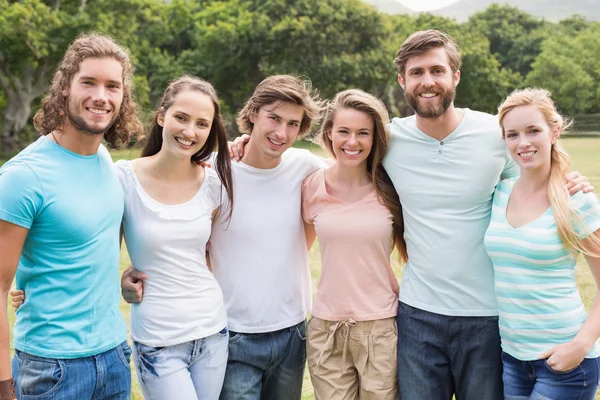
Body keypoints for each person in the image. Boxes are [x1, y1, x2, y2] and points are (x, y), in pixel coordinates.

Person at [382, 29, 593, 399]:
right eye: (416, 72)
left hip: (489, 319)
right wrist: (245, 146)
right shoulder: (387, 141)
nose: (427, 81)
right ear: (402, 80)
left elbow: (534, 173)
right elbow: (337, 155)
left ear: (455, 76)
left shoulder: (495, 135)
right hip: (417, 315)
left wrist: (570, 182)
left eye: (437, 70)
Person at [121, 75, 327, 400]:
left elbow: (354, 165)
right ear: (254, 113)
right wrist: (136, 271)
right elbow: (180, 234)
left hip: (293, 332)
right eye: (273, 118)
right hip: (233, 335)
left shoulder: (306, 166)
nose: (281, 132)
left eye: (292, 124)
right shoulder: (216, 173)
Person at [0, 33, 143, 400]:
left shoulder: (104, 160)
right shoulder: (23, 176)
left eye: (113, 86)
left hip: (113, 356)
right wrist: (3, 384)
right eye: (89, 82)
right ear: (65, 87)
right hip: (51, 369)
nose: (101, 96)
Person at [115, 76, 234, 399]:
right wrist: (122, 282)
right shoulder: (123, 178)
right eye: (181, 118)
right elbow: (94, 248)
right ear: (161, 116)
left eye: (202, 124)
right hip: (157, 338)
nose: (189, 132)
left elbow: (213, 253)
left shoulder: (214, 184)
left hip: (211, 330)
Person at [485, 88, 600, 399]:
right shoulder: (499, 193)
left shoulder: (576, 200)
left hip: (564, 361)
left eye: (533, 130)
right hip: (513, 359)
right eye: (512, 134)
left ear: (554, 132)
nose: (523, 143)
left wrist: (580, 345)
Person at [302, 89, 406, 399]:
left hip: (381, 327)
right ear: (330, 132)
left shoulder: (391, 189)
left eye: (363, 133)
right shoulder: (311, 185)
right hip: (326, 330)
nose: (352, 141)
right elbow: (296, 251)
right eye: (344, 131)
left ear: (375, 139)